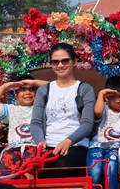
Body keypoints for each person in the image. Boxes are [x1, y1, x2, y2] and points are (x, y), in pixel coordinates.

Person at [30, 43, 96, 176]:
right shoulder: (44, 90)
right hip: (48, 146)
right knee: (36, 171)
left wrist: (68, 141)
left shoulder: (84, 89)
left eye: (65, 61)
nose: (60, 65)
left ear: (74, 62)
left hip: (75, 145)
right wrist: (40, 141)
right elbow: (36, 122)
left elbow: (87, 124)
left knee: (62, 168)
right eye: (55, 62)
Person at [0, 74, 49, 174]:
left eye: (31, 89)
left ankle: (28, 179)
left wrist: (34, 82)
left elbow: (56, 89)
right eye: (22, 90)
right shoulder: (11, 109)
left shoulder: (43, 108)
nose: (27, 93)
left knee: (30, 170)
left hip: (35, 148)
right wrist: (6, 86)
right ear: (16, 95)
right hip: (13, 149)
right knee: (5, 176)